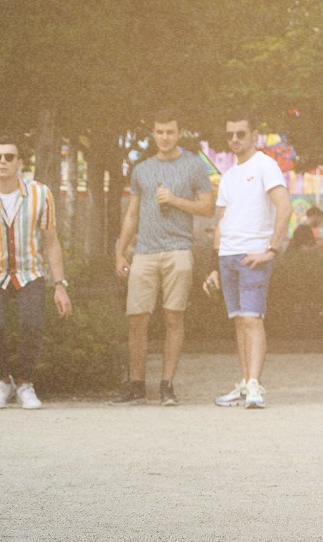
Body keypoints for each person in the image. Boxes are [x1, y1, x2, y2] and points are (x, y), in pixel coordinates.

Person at [111, 111, 215, 406]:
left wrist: (175, 201)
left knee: (173, 317)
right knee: (137, 318)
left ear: (179, 132)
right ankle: (137, 384)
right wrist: (121, 251)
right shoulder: (142, 169)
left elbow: (208, 208)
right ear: (153, 134)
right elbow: (132, 213)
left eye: (170, 131)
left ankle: (167, 385)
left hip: (178, 249)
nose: (165, 137)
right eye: (159, 132)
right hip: (144, 250)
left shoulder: (193, 166)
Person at [0, 137, 71, 410]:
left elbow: (51, 240)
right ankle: (3, 380)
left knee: (32, 324)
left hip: (29, 271)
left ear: (20, 162)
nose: (3, 162)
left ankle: (25, 383)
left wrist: (60, 284)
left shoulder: (39, 194)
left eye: (9, 157)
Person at [202, 112, 292, 409]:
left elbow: (285, 208)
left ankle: (255, 384)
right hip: (227, 255)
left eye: (241, 133)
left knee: (253, 319)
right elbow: (222, 221)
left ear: (254, 134)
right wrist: (213, 267)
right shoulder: (228, 175)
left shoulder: (265, 165)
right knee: (239, 320)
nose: (235, 140)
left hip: (254, 255)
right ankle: (243, 383)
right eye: (230, 135)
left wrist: (272, 250)